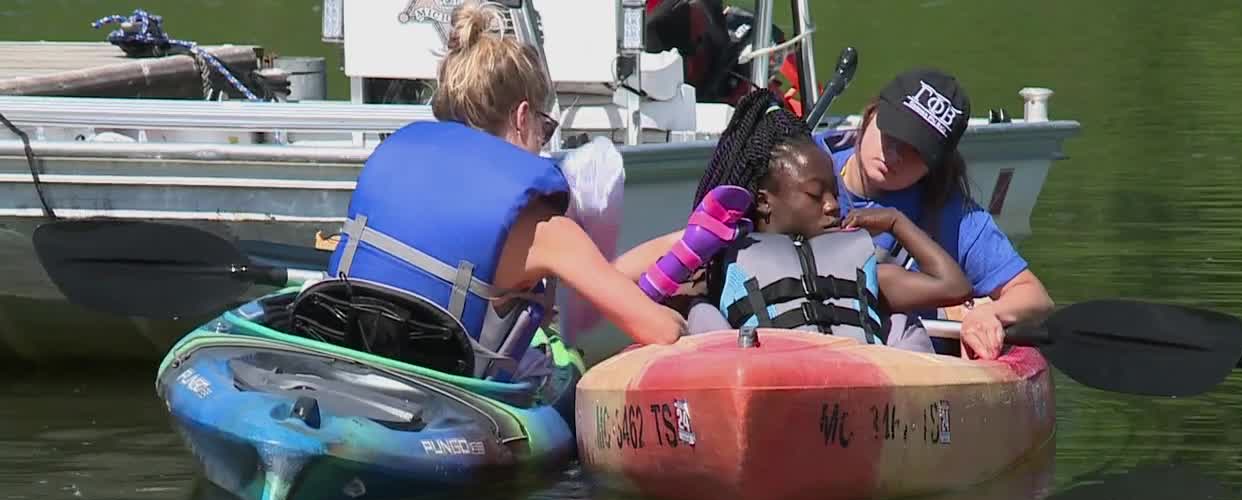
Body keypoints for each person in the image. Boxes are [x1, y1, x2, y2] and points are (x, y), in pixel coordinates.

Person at [320, 1, 684, 380]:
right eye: (545, 127)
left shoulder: (397, 161)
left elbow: (598, 278)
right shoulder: (543, 228)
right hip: (447, 400)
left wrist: (686, 243)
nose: (543, 143)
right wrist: (683, 319)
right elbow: (660, 331)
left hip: (349, 366)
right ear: (522, 117)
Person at [618, 89, 972, 346]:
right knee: (698, 314)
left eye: (834, 193)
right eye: (816, 196)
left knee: (902, 324)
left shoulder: (866, 273)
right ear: (764, 202)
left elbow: (954, 287)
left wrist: (896, 221)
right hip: (756, 386)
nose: (833, 206)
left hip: (856, 389)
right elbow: (625, 292)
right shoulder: (725, 266)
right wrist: (689, 245)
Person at [818, 67, 1054, 359]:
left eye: (913, 150)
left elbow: (1033, 296)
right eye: (891, 134)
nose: (893, 156)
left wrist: (991, 313)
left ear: (936, 163)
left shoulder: (952, 213)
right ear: (872, 114)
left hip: (898, 365)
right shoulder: (805, 165)